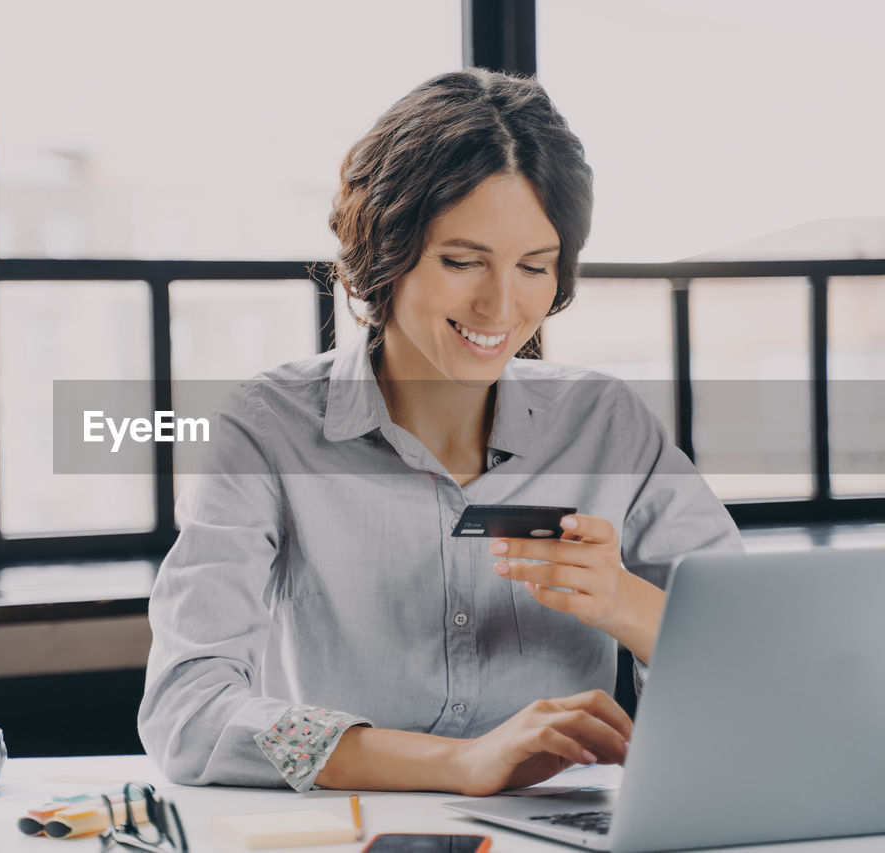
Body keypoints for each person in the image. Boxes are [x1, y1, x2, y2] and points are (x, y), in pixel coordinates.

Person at [137, 69, 742, 796]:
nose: (500, 305)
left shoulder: (607, 425)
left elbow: (759, 672)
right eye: (463, 261)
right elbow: (188, 708)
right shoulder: (269, 428)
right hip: (350, 834)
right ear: (387, 247)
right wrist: (460, 763)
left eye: (534, 267)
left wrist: (625, 602)